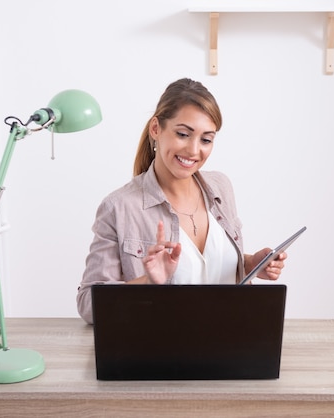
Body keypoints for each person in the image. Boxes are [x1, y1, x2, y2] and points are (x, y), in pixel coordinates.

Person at [76, 78, 287, 324]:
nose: (193, 150)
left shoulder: (221, 187)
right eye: (183, 134)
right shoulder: (119, 207)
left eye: (206, 139)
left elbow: (210, 268)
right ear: (156, 128)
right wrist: (148, 281)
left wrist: (251, 263)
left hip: (233, 344)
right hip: (163, 352)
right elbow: (88, 305)